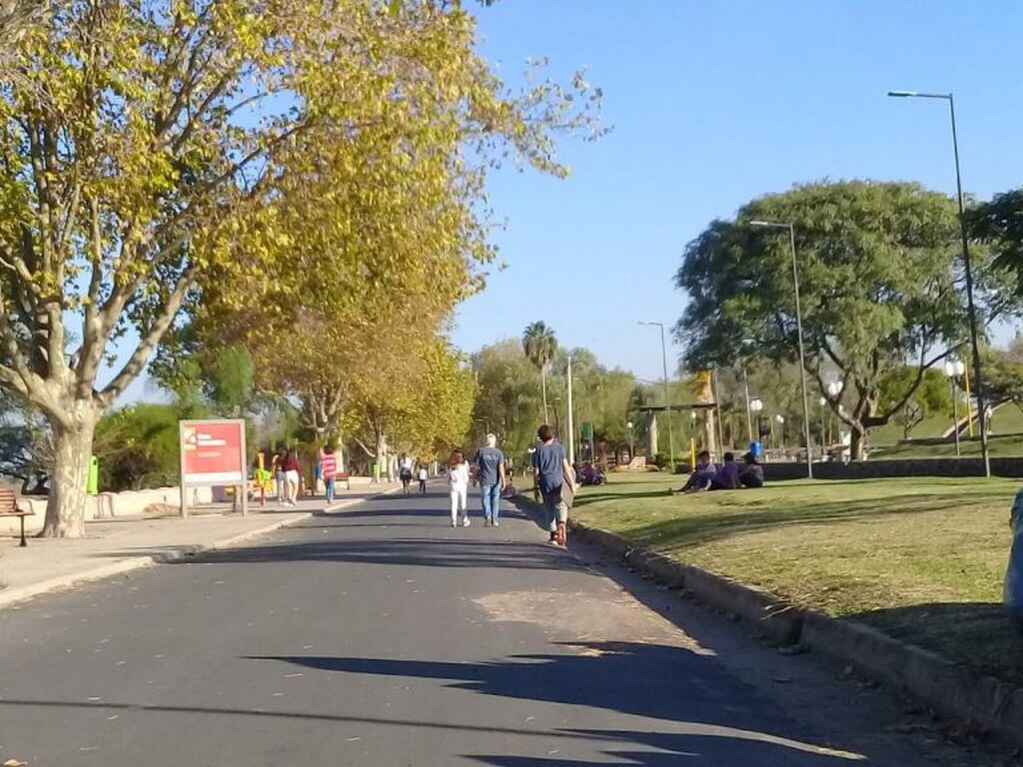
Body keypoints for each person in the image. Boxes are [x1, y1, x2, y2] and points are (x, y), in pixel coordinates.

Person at [531, 424, 576, 547]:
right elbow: (565, 467)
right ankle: (562, 522)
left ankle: (553, 535)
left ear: (540, 437)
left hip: (545, 482)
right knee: (561, 505)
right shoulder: (560, 448)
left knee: (549, 507)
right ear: (552, 435)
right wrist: (572, 484)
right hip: (558, 482)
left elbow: (536, 471)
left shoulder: (538, 451)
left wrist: (535, 487)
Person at [473, 433, 507, 527]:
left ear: (486, 441)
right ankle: (495, 519)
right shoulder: (499, 453)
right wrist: (504, 481)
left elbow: (476, 466)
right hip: (496, 480)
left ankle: (488, 516)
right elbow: (501, 468)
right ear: (494, 441)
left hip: (484, 479)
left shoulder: (481, 451)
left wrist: (474, 478)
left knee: (485, 498)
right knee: (495, 499)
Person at [448, 451, 471, 527]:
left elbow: (448, 477)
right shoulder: (463, 467)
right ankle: (464, 520)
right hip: (462, 487)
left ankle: (453, 521)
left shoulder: (451, 468)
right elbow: (466, 479)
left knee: (453, 504)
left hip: (453, 487)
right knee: (463, 503)